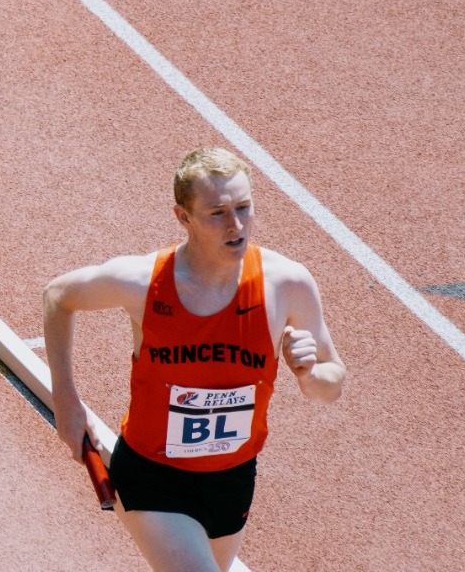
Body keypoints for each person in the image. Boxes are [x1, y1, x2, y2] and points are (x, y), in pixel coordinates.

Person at [43, 147, 346, 572]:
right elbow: (59, 297)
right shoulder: (144, 282)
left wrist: (310, 375)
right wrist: (66, 402)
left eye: (243, 207)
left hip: (232, 479)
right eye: (217, 213)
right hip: (152, 475)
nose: (236, 225)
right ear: (183, 217)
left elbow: (332, 383)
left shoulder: (286, 284)